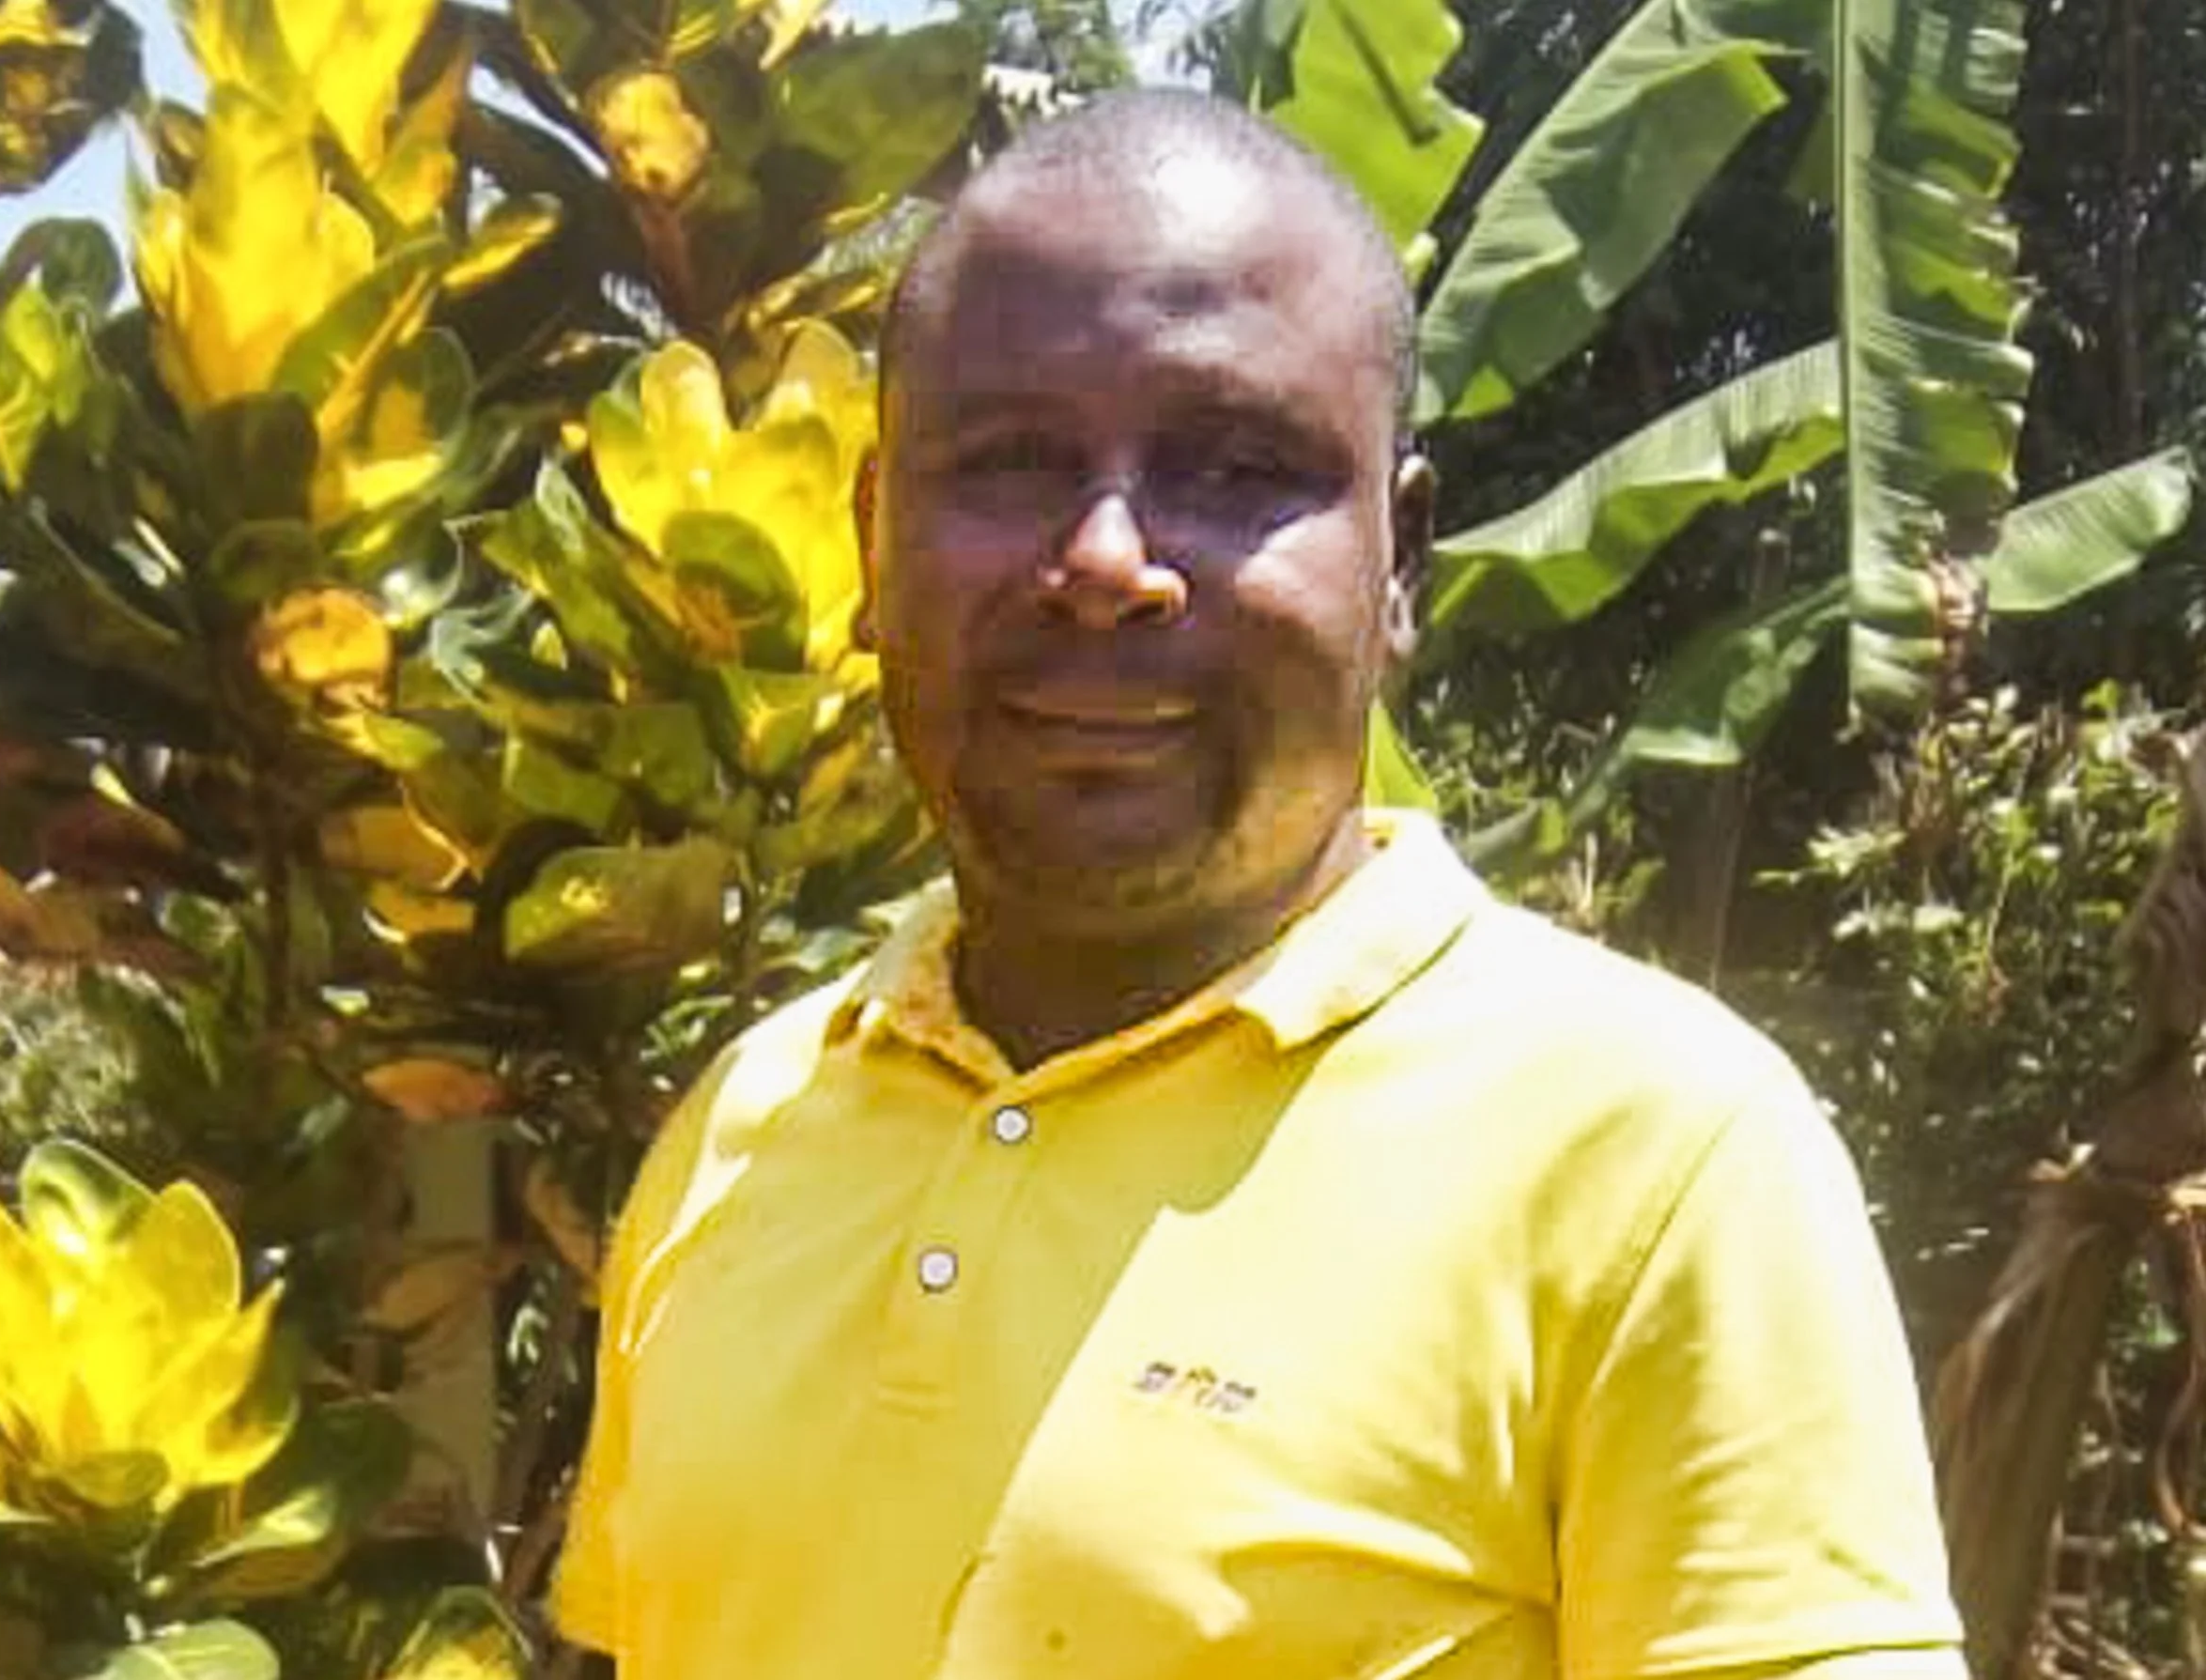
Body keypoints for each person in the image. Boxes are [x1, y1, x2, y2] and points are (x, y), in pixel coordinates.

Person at [553, 87, 1967, 1680]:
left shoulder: (1652, 1157)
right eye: (1008, 462)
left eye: (1234, 468)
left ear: (1399, 563)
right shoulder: (745, 1126)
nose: (1105, 560)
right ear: (875, 540)